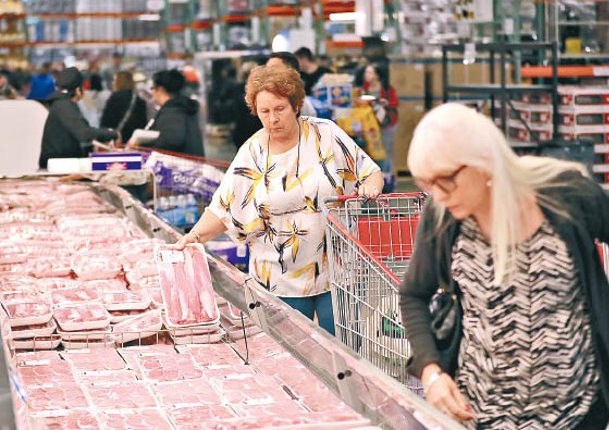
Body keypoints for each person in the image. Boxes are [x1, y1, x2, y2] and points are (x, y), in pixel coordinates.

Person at [399, 103, 609, 429]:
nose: (438, 196)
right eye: (428, 184)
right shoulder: (442, 218)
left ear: (484, 162)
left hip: (576, 412)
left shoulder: (567, 197)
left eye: (446, 180)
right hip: (482, 413)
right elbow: (413, 294)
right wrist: (432, 372)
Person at [176, 65, 384, 334]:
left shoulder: (326, 134)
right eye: (264, 111)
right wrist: (195, 236)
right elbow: (224, 206)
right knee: (293, 359)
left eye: (279, 109)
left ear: (296, 104)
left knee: (343, 355)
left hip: (337, 270)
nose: (272, 118)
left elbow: (370, 172)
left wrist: (370, 188)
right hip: (278, 277)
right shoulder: (252, 153)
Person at [38, 67, 119, 169]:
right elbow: (83, 133)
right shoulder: (64, 105)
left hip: (60, 165)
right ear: (78, 90)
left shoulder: (61, 104)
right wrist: (112, 134)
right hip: (57, 169)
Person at [127, 69, 204, 157]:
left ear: (159, 89)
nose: (152, 92)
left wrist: (142, 146)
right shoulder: (183, 108)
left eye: (152, 88)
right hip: (192, 164)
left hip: (179, 166)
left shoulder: (173, 111)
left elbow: (173, 140)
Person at [358, 63, 399, 192]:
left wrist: (385, 103)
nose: (367, 75)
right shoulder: (363, 88)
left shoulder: (387, 89)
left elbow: (395, 103)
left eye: (370, 72)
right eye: (366, 72)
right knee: (372, 151)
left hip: (385, 124)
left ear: (377, 75)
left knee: (385, 152)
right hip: (370, 126)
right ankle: (375, 178)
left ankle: (387, 179)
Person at [101, 71, 147, 142]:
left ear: (119, 82)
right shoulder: (139, 100)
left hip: (117, 139)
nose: (113, 83)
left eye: (114, 80)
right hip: (134, 141)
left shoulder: (115, 98)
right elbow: (143, 123)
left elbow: (106, 121)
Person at [266, 52, 316, 117]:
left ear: (290, 72)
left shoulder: (302, 105)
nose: (267, 73)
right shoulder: (261, 98)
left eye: (273, 68)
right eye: (267, 69)